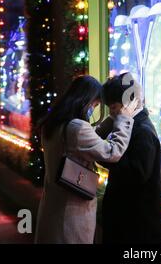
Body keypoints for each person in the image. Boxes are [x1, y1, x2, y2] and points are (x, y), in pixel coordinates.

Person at [34, 75, 138, 244]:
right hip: (72, 211)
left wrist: (112, 119)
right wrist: (123, 118)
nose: (94, 109)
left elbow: (86, 140)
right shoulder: (77, 127)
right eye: (95, 104)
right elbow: (113, 152)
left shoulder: (55, 123)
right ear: (85, 100)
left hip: (53, 205)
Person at [96, 72, 161, 244]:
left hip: (136, 225)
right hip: (126, 219)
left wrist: (105, 155)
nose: (111, 113)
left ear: (130, 102)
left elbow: (136, 174)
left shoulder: (142, 131)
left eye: (113, 107)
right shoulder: (128, 124)